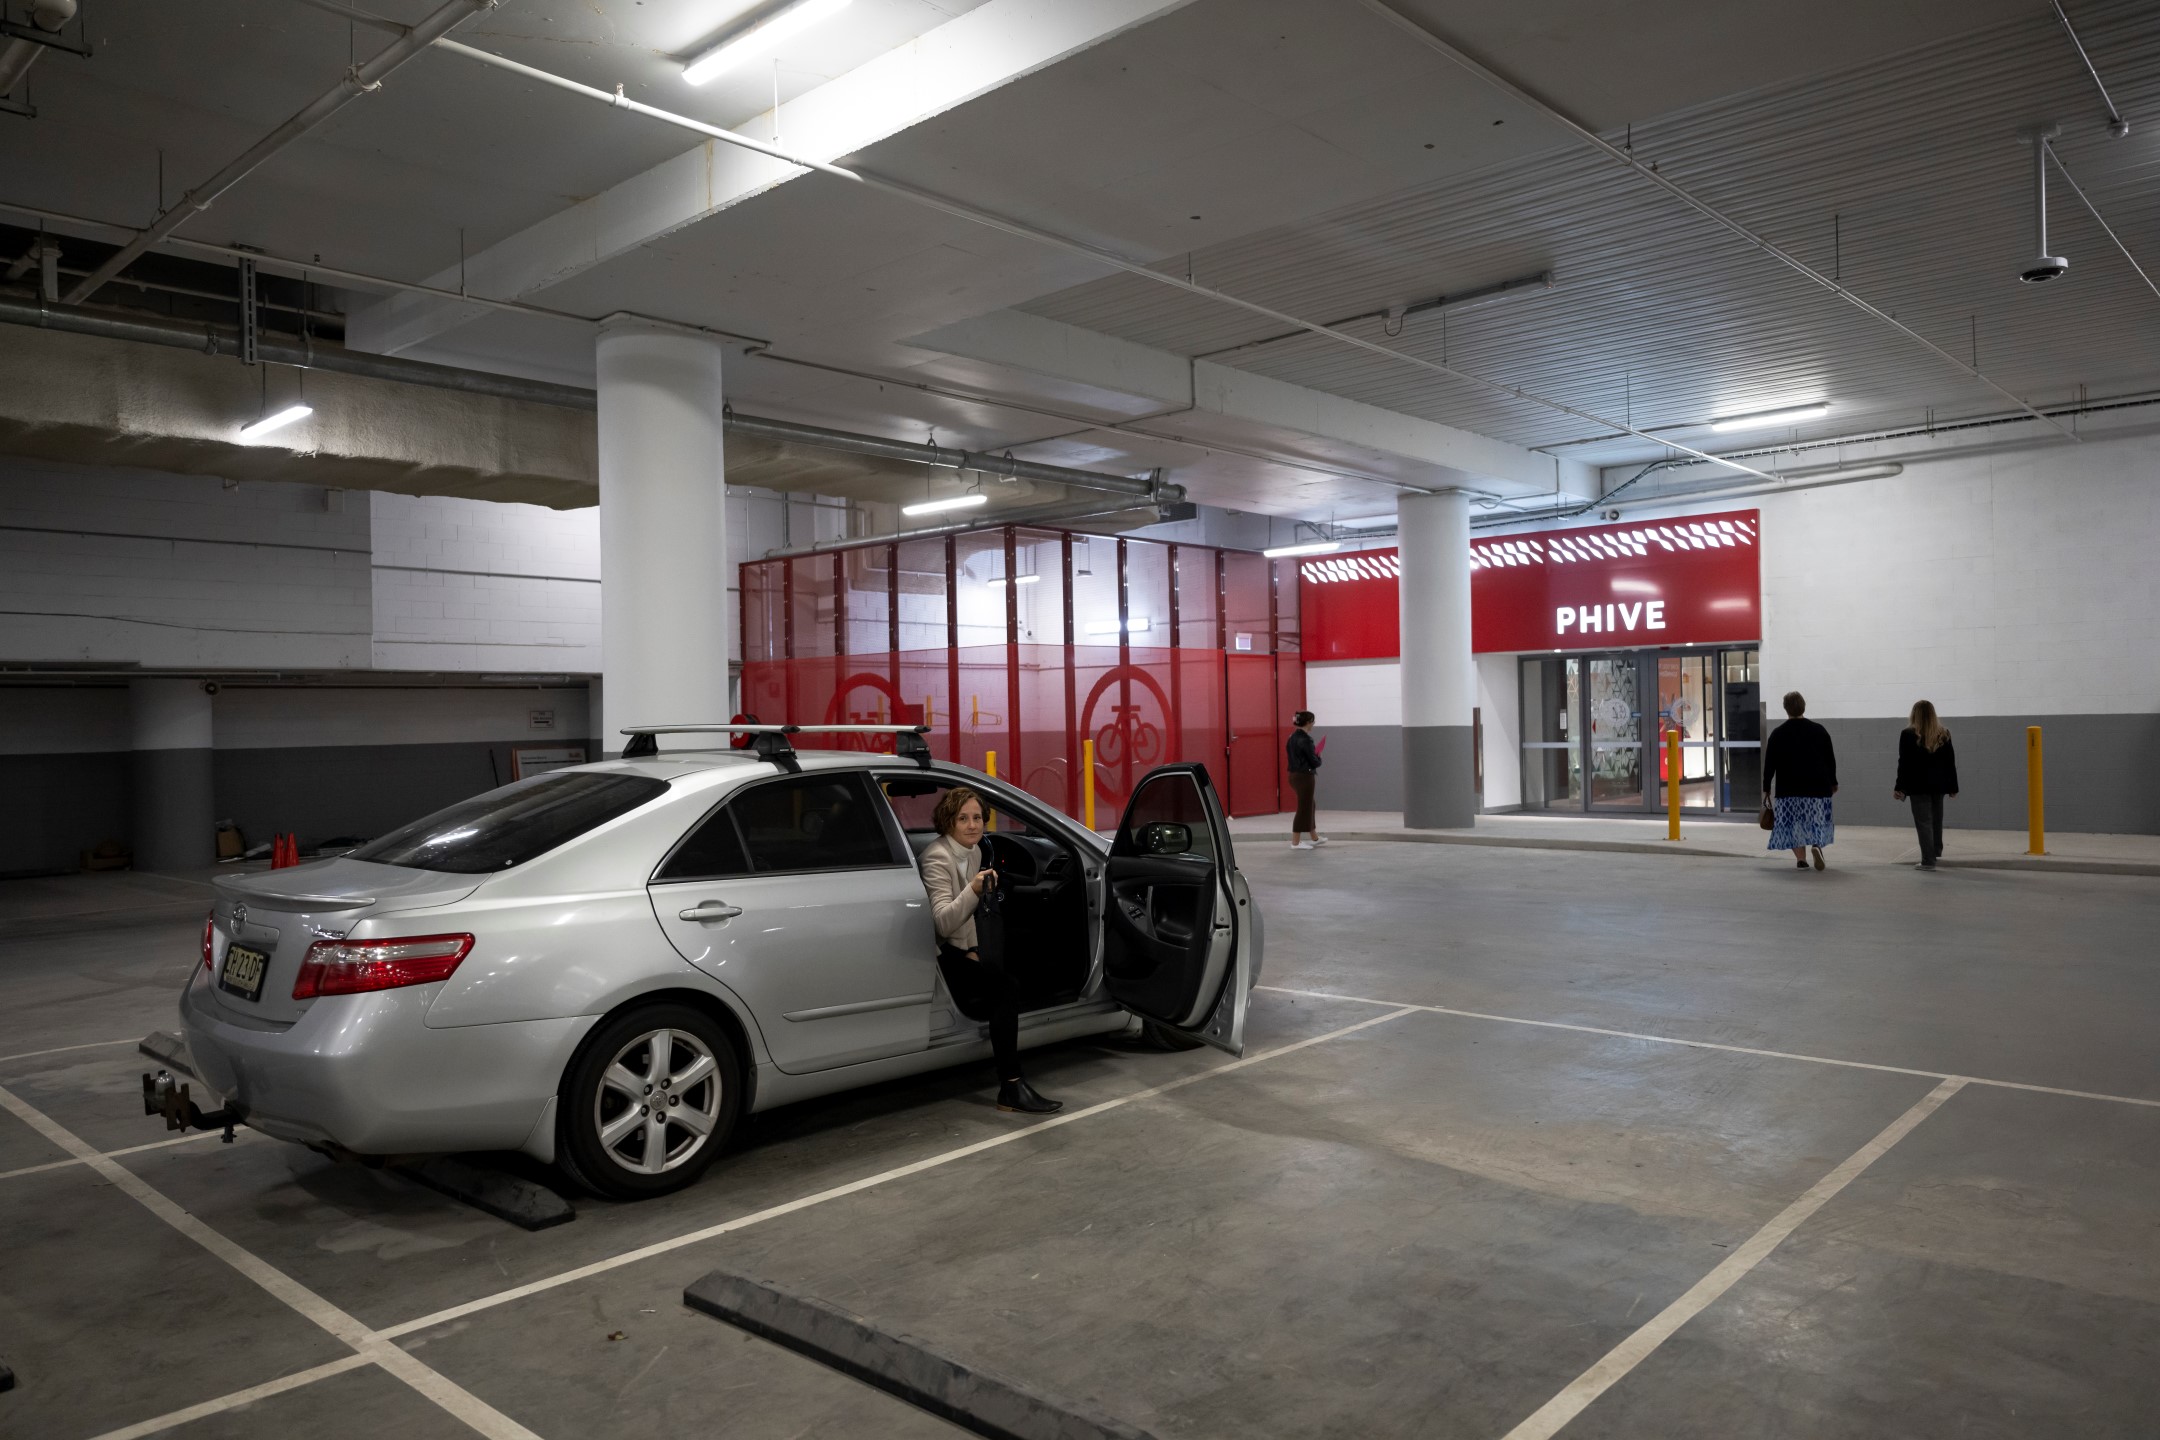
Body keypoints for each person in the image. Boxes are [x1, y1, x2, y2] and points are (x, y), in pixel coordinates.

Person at [918, 787, 1061, 1115]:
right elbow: (942, 922)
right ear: (947, 821)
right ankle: (1011, 1086)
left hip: (964, 949)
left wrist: (976, 949)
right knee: (1005, 987)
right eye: (963, 818)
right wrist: (973, 889)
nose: (972, 825)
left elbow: (972, 919)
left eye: (978, 818)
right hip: (942, 956)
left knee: (1024, 955)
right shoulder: (937, 857)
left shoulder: (975, 852)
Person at [1761, 690, 1838, 870]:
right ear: (1804, 706)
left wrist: (1766, 787)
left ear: (1786, 709)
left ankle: (1801, 860)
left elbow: (1769, 763)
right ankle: (1816, 845)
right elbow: (1830, 760)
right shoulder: (1819, 730)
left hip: (1789, 789)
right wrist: (1833, 782)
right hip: (1818, 787)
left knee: (1794, 824)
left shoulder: (1778, 734)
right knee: (1815, 820)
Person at [1893, 699, 1959, 871]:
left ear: (1915, 714)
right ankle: (1936, 852)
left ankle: (1928, 861)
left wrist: (1899, 787)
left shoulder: (1908, 734)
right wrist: (1953, 787)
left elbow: (1904, 764)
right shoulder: (1944, 733)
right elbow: (1950, 763)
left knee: (1924, 822)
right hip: (1939, 785)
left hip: (1918, 785)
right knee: (1936, 819)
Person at [1286, 710, 1327, 849]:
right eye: (1313, 721)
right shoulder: (1306, 740)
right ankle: (1295, 843)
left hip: (1294, 775)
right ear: (1308, 723)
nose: (1314, 724)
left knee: (1310, 804)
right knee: (1304, 808)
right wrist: (1319, 756)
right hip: (1304, 777)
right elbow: (1314, 762)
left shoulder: (1291, 737)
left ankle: (1314, 837)